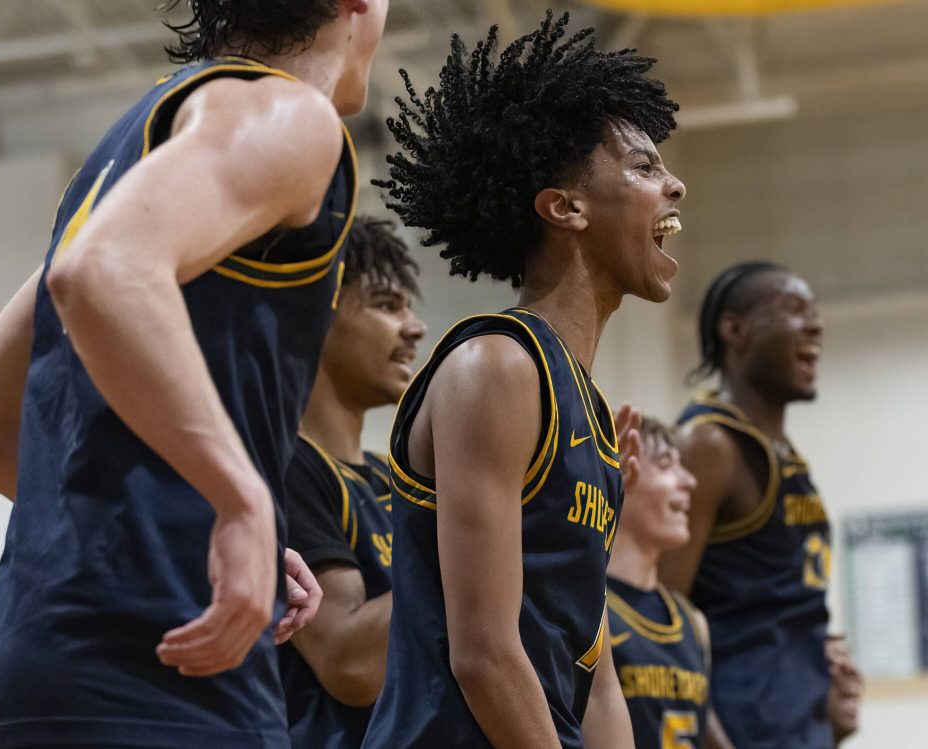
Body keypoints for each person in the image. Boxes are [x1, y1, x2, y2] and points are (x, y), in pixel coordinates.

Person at [0, 2, 388, 747]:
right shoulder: (292, 114)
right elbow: (104, 272)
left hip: (23, 673)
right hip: (164, 673)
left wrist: (191, 519)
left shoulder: (126, 161)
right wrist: (241, 499)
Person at [362, 12, 686, 748]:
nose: (675, 184)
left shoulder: (590, 411)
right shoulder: (497, 366)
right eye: (643, 167)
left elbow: (594, 672)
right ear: (565, 206)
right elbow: (483, 654)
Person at [660, 261, 838, 748]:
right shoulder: (709, 445)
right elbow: (657, 618)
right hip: (740, 726)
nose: (816, 324)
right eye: (795, 310)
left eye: (815, 312)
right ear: (734, 330)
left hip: (800, 724)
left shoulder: (783, 455)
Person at [277, 217, 425, 747]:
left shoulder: (391, 473)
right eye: (388, 305)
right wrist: (483, 537)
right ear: (317, 315)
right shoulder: (287, 466)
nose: (415, 328)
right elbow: (350, 665)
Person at [606, 417, 734, 749]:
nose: (690, 481)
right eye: (666, 465)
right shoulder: (589, 608)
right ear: (622, 473)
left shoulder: (694, 623)